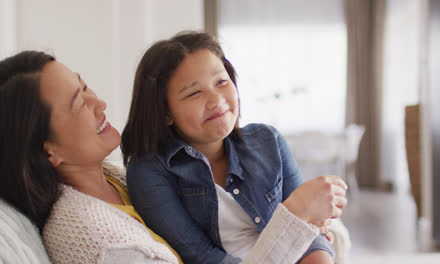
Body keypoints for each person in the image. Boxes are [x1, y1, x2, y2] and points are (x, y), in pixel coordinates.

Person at [0, 50, 347, 264]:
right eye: (79, 102)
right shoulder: (99, 242)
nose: (100, 103)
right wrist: (296, 215)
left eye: (85, 86)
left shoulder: (113, 180)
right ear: (49, 151)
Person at [121, 31, 347, 264]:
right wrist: (296, 212)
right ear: (165, 112)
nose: (216, 99)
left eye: (221, 82)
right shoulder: (149, 171)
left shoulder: (269, 141)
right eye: (194, 92)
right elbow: (201, 258)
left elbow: (311, 235)